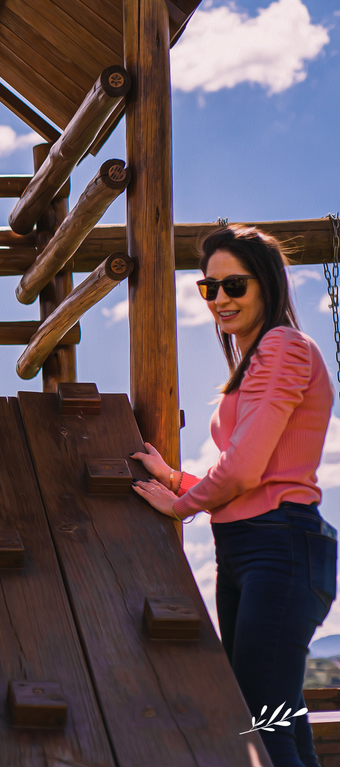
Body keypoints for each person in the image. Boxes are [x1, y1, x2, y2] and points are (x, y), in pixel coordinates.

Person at [132, 225, 337, 767]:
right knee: (278, 718)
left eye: (234, 286)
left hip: (280, 548)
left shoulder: (283, 346)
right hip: (250, 550)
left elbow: (244, 471)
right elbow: (250, 474)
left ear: (266, 285)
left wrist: (179, 506)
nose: (219, 299)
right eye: (209, 288)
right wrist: (177, 479)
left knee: (263, 721)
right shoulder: (256, 359)